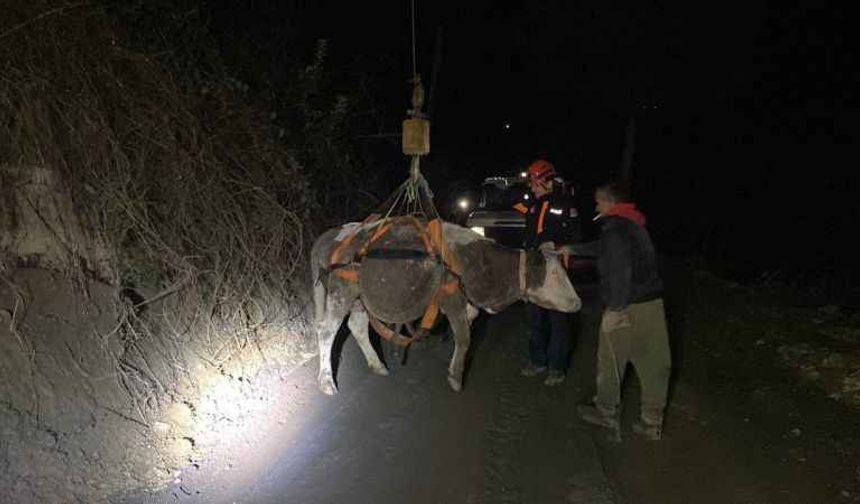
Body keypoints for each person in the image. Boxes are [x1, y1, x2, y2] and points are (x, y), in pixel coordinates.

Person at [572, 182, 670, 440]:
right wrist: (571, 249)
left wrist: (615, 309)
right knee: (653, 363)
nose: (596, 206)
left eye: (599, 201)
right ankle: (652, 422)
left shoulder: (614, 230)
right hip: (652, 304)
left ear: (611, 203)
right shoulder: (634, 224)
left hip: (627, 306)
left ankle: (605, 412)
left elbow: (620, 271)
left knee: (610, 359)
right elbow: (604, 249)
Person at [515, 159, 582, 386]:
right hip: (534, 268)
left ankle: (557, 367)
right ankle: (538, 360)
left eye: (534, 182)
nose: (531, 187)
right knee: (535, 319)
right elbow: (524, 225)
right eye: (531, 183)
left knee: (557, 320)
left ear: (547, 181)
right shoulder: (532, 205)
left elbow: (575, 236)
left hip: (556, 270)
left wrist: (555, 244)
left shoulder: (565, 204)